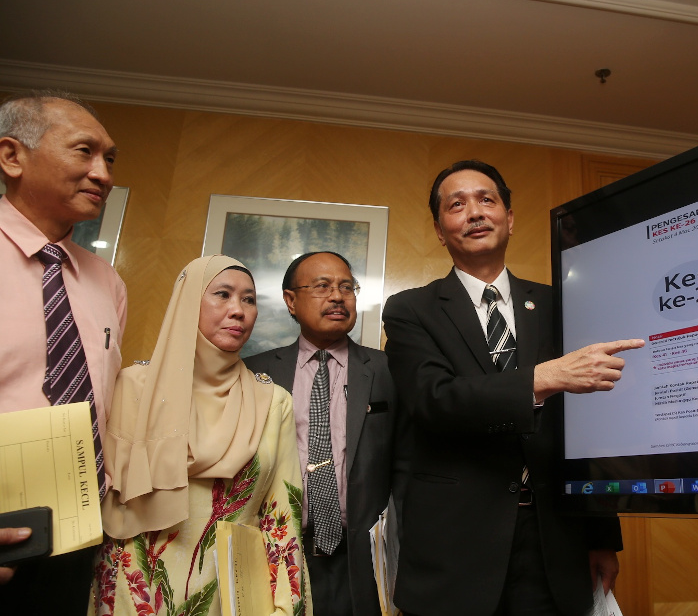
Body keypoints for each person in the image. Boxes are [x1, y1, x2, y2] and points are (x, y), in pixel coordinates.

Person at [382, 160, 645, 616]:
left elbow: (585, 431)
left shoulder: (558, 304)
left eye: (487, 200)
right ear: (440, 231)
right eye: (457, 205)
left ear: (509, 218)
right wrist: (545, 378)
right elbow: (433, 400)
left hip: (554, 540)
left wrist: (602, 536)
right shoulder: (410, 310)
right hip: (455, 547)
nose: (475, 212)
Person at [91, 255, 308, 616]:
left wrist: (286, 606)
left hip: (231, 594)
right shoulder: (133, 388)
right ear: (189, 300)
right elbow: (100, 499)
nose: (238, 310)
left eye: (249, 299)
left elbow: (282, 517)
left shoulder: (274, 402)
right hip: (136, 591)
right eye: (222, 294)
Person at [0, 91, 127, 612]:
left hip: (77, 539)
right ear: (12, 156)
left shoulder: (107, 282)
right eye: (84, 151)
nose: (103, 174)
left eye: (110, 159)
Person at [244, 252, 407, 616]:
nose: (337, 296)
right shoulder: (255, 374)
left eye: (346, 287)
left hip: (364, 558)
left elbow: (407, 462)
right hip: (277, 551)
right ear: (290, 300)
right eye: (322, 286)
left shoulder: (388, 370)